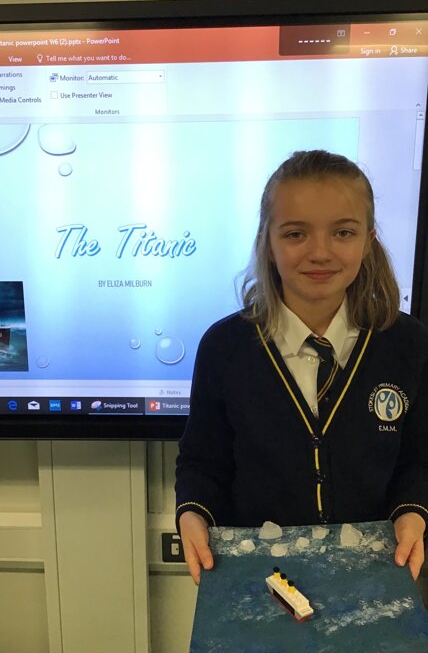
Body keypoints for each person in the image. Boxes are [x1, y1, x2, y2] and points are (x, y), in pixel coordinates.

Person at [175, 149, 428, 585]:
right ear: (268, 244)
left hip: (374, 573)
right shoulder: (224, 348)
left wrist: (413, 512)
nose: (320, 252)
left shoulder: (408, 344)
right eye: (295, 234)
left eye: (343, 232)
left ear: (368, 240)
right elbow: (202, 461)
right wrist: (193, 514)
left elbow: (418, 460)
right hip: (257, 575)